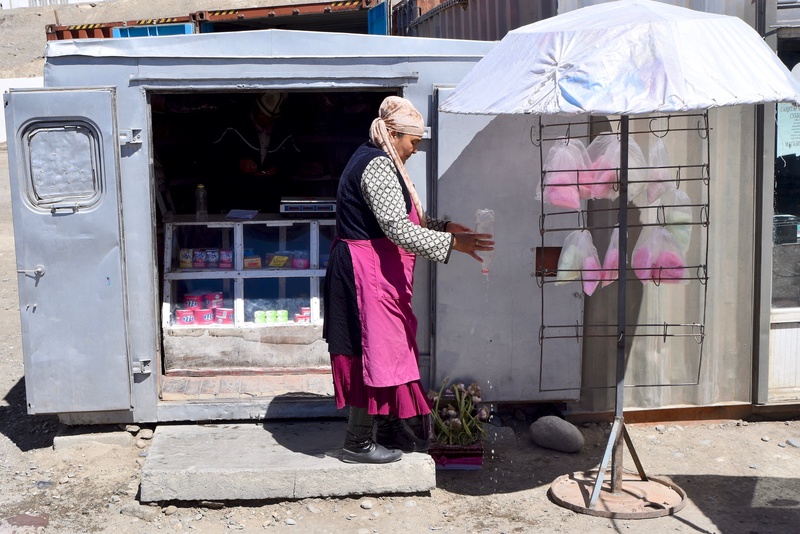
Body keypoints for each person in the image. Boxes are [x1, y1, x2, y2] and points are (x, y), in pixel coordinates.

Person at [322, 96, 495, 464]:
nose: (415, 150)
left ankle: (386, 428)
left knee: (392, 350)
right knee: (371, 352)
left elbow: (404, 219)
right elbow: (397, 228)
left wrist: (444, 226)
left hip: (373, 273)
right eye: (413, 142)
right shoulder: (378, 165)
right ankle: (357, 442)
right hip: (362, 274)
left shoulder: (383, 160)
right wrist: (452, 243)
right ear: (394, 133)